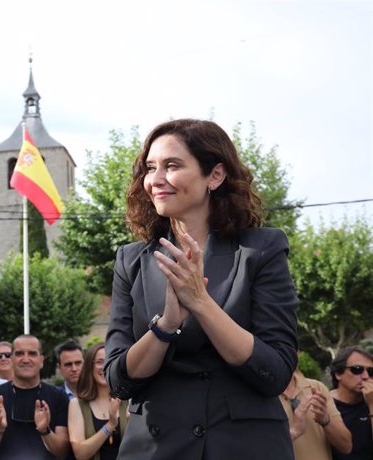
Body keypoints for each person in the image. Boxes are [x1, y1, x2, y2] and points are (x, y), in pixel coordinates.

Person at [105, 118, 299, 460]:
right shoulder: (129, 261)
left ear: (215, 175)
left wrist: (200, 303)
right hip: (154, 449)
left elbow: (276, 372)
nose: (156, 180)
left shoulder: (262, 250)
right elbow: (118, 380)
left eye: (172, 165)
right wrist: (164, 327)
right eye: (151, 168)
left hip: (243, 447)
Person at [0, 334, 70, 459]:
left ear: (41, 361)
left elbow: (64, 452)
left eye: (32, 354)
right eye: (19, 353)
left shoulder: (59, 397)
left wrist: (45, 431)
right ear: (11, 359)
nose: (26, 359)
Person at [68, 342, 127, 460]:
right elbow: (80, 454)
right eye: (99, 362)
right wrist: (110, 426)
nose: (105, 366)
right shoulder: (77, 404)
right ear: (90, 366)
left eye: (110, 360)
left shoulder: (129, 400)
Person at [280, 368, 351, 459]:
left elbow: (346, 446)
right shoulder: (259, 393)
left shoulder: (317, 387)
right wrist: (294, 432)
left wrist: (326, 420)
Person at [329, 346, 373, 460]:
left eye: (371, 371)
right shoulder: (326, 404)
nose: (366, 376)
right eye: (357, 369)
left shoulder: (370, 399)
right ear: (338, 374)